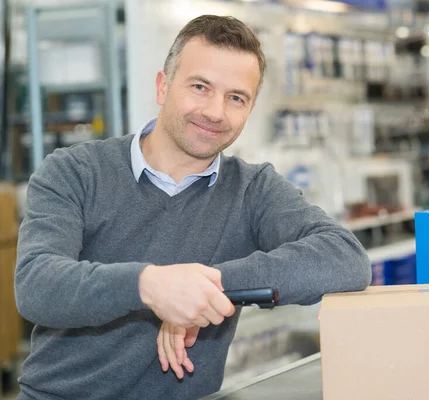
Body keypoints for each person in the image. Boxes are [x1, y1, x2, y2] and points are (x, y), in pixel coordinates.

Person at [14, 14, 371, 400]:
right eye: (200, 87)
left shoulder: (253, 188)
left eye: (236, 98)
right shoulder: (75, 171)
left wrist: (201, 289)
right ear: (163, 86)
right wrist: (151, 286)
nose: (216, 112)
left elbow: (345, 258)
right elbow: (38, 284)